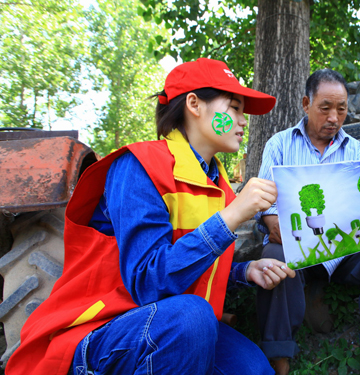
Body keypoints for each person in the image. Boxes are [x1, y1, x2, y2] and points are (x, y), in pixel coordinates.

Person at [6, 58, 296, 375]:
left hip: (170, 323)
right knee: (193, 316)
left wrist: (245, 271)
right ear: (195, 104)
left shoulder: (220, 187)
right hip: (100, 330)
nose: (243, 121)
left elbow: (190, 269)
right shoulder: (138, 167)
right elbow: (148, 284)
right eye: (235, 107)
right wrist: (233, 215)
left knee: (254, 369)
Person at [255, 69, 360, 375]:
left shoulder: (355, 149)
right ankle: (279, 358)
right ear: (305, 104)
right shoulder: (280, 144)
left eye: (341, 109)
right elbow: (264, 201)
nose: (334, 118)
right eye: (325, 108)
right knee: (272, 258)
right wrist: (272, 220)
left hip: (344, 250)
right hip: (296, 250)